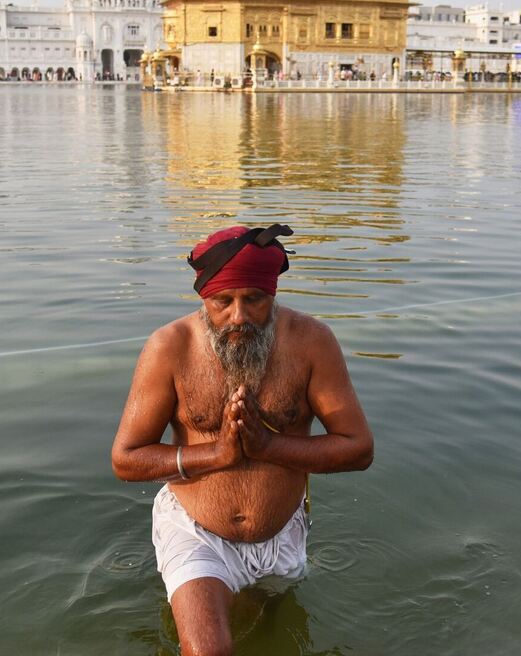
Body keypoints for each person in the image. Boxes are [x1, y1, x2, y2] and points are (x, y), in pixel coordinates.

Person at [111, 224, 373, 655]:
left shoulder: (312, 343)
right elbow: (126, 459)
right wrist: (217, 453)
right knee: (210, 651)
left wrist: (269, 447)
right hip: (195, 530)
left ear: (273, 295)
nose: (239, 316)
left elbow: (359, 448)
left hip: (283, 532)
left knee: (272, 636)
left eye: (254, 299)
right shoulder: (170, 347)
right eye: (223, 301)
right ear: (203, 299)